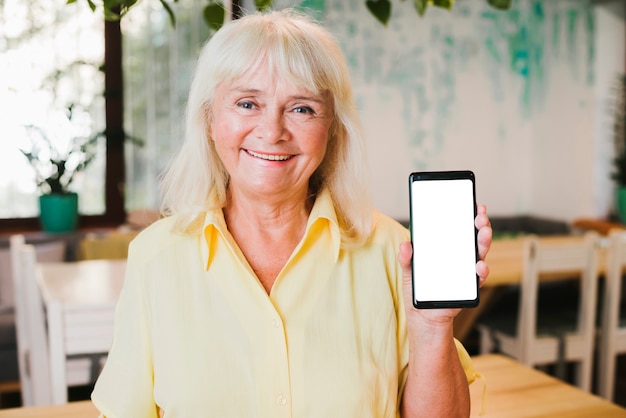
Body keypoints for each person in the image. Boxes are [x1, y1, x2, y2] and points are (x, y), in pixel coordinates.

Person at [91, 8, 492, 418]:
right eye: (247, 103)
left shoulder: (393, 249)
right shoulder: (155, 258)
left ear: (332, 127)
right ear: (210, 119)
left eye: (301, 109)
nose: (272, 131)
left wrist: (432, 330)